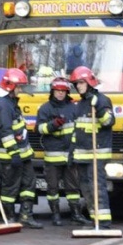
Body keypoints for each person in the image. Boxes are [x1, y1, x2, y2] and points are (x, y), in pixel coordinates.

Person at [0, 67, 43, 228]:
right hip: (10, 155)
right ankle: (9, 217)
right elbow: (6, 132)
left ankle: (26, 215)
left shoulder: (9, 102)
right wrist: (14, 154)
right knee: (10, 188)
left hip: (22, 154)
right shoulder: (3, 105)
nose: (21, 90)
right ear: (10, 86)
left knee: (29, 184)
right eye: (19, 87)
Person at [34, 77, 91, 226]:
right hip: (53, 156)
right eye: (57, 91)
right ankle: (55, 215)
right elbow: (39, 129)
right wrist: (53, 125)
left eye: (63, 91)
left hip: (70, 155)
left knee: (73, 187)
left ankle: (76, 214)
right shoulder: (45, 108)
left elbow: (79, 129)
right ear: (52, 91)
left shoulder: (74, 108)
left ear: (67, 92)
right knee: (52, 188)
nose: (60, 94)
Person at [68, 66, 115, 228]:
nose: (78, 86)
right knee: (86, 189)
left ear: (89, 82)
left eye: (81, 82)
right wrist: (71, 153)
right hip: (82, 154)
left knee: (97, 188)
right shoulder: (80, 104)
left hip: (97, 153)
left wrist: (100, 110)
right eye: (76, 83)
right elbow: (77, 130)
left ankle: (104, 222)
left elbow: (109, 122)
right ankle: (95, 219)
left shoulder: (101, 100)